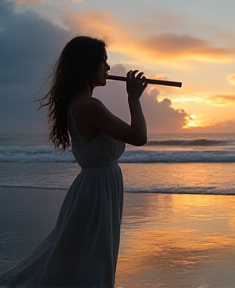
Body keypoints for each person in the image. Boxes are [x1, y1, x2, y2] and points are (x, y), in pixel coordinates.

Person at [0, 36, 147, 288]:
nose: (108, 68)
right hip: (98, 189)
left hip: (95, 187)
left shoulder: (78, 104)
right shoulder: (89, 106)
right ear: (88, 65)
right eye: (104, 62)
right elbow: (139, 137)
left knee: (82, 251)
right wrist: (133, 99)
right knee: (94, 254)